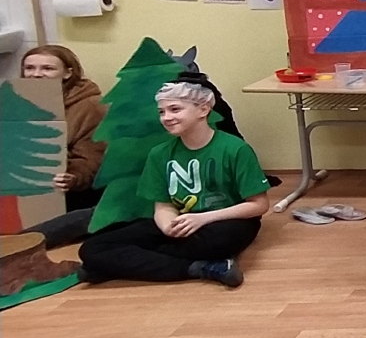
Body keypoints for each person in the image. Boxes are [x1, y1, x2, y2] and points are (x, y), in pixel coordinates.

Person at [76, 82, 271, 287]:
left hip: (223, 222)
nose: (166, 118)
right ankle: (201, 268)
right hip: (182, 222)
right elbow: (163, 205)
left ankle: (115, 266)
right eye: (162, 112)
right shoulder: (159, 154)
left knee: (219, 242)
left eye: (175, 109)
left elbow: (259, 205)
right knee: (92, 248)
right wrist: (168, 226)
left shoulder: (235, 149)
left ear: (203, 109)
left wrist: (202, 218)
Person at [19, 45, 107, 213]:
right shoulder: (18, 101)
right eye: (29, 68)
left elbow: (93, 158)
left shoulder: (90, 107)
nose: (36, 74)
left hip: (72, 191)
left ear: (68, 73)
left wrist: (73, 178)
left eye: (47, 68)